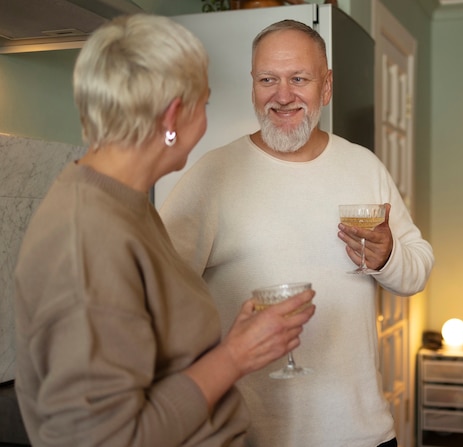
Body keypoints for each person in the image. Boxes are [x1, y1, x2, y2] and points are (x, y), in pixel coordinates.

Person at [13, 14, 315, 447]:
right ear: (173, 116)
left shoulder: (125, 203)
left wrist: (236, 342)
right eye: (204, 105)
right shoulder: (88, 239)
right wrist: (234, 358)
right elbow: (102, 439)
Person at [159, 19, 434, 447]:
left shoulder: (363, 166)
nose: (282, 96)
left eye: (299, 79)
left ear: (326, 87)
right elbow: (159, 291)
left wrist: (388, 255)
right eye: (268, 79)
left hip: (362, 433)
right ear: (253, 87)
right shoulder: (214, 175)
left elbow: (416, 271)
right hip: (253, 436)